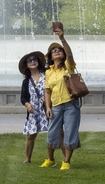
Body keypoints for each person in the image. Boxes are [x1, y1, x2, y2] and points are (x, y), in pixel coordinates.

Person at [42, 23, 80, 170]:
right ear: (51, 56)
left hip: (71, 104)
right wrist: (47, 107)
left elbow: (70, 55)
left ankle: (66, 161)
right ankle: (50, 159)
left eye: (59, 50)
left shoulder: (68, 66)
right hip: (56, 106)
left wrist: (62, 38)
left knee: (70, 133)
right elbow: (47, 91)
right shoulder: (48, 72)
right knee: (52, 132)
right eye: (54, 51)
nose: (57, 52)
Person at [18, 51, 49, 163]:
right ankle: (27, 159)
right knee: (31, 135)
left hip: (47, 108)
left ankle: (62, 159)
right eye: (29, 60)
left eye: (34, 59)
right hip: (33, 111)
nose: (32, 62)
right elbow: (23, 98)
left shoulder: (46, 75)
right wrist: (27, 105)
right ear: (26, 65)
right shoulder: (26, 81)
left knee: (57, 132)